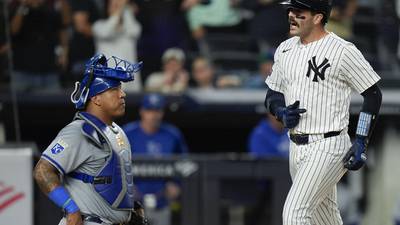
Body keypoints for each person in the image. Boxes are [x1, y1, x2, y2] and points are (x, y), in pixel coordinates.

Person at [263, 0, 382, 224]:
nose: (291, 15)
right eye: (290, 10)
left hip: (329, 144)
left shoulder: (342, 50)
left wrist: (361, 140)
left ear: (318, 17)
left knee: (294, 214)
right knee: (325, 218)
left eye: (299, 12)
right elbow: (272, 95)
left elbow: (373, 94)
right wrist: (281, 111)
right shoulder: (285, 49)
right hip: (296, 147)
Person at [33, 53, 147, 225]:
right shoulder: (78, 131)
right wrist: (70, 208)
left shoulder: (117, 131)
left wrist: (131, 208)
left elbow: (114, 179)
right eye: (114, 89)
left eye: (120, 88)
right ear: (96, 98)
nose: (122, 94)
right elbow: (42, 171)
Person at [123, 93, 188, 225]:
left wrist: (177, 184)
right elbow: (114, 164)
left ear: (162, 112)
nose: (153, 115)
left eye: (157, 110)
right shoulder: (127, 133)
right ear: (142, 111)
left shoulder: (172, 134)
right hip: (132, 204)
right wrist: (124, 187)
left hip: (162, 201)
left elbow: (187, 163)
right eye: (149, 110)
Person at [92, 0, 142, 92]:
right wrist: (119, 10)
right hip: (107, 82)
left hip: (130, 83)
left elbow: (134, 31)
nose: (117, 7)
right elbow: (106, 32)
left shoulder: (131, 28)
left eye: (119, 5)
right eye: (113, 5)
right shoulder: (99, 26)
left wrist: (126, 11)